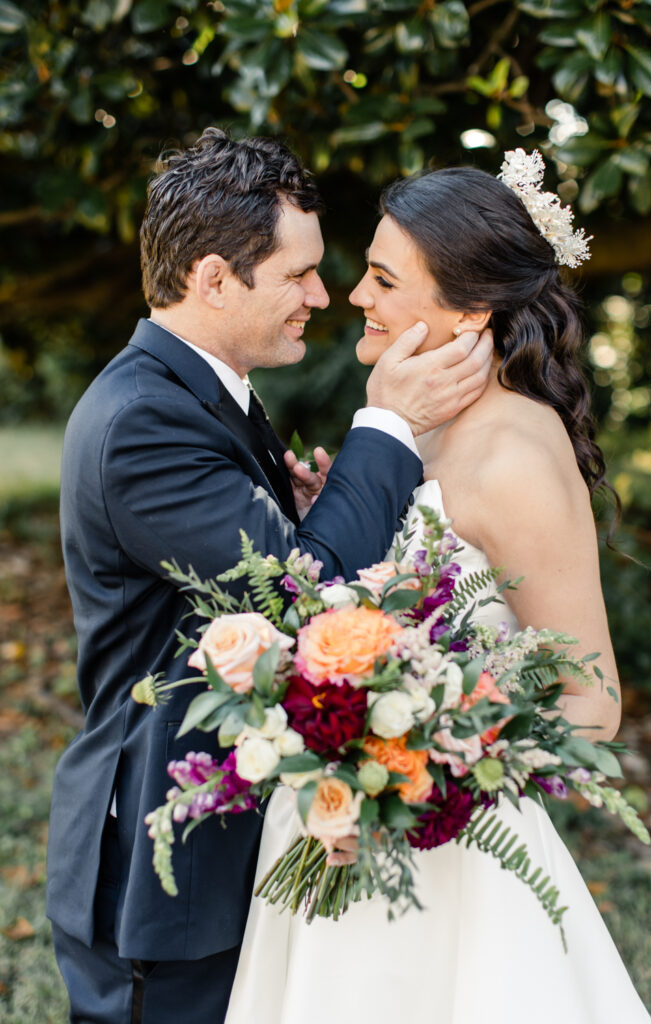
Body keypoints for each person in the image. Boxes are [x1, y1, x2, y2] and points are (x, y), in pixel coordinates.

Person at [46, 129, 494, 1024]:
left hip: (220, 827)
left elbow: (256, 563)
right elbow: (301, 595)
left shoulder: (197, 394)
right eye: (296, 275)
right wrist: (386, 429)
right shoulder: (145, 422)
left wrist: (301, 510)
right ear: (213, 278)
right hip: (159, 856)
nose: (321, 297)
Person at [224, 155, 651, 1023]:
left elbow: (593, 702)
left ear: (467, 310)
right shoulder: (417, 434)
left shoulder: (515, 456)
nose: (353, 297)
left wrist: (428, 770)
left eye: (382, 279)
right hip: (338, 827)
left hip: (450, 853)